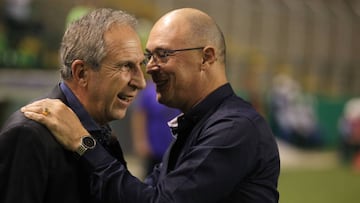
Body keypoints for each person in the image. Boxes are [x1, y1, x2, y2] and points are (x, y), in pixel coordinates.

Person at [21, 8, 280, 203]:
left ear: (206, 57)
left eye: (163, 54)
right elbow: (143, 194)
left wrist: (83, 143)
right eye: (150, 56)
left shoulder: (235, 128)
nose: (151, 68)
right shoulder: (198, 124)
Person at [0, 8, 145, 203]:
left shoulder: (100, 131)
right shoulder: (29, 134)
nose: (140, 82)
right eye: (126, 66)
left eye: (140, 65)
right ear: (82, 73)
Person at [131, 79, 180, 176]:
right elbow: (140, 116)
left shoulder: (179, 89)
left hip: (174, 144)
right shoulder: (149, 91)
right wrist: (140, 141)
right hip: (155, 147)